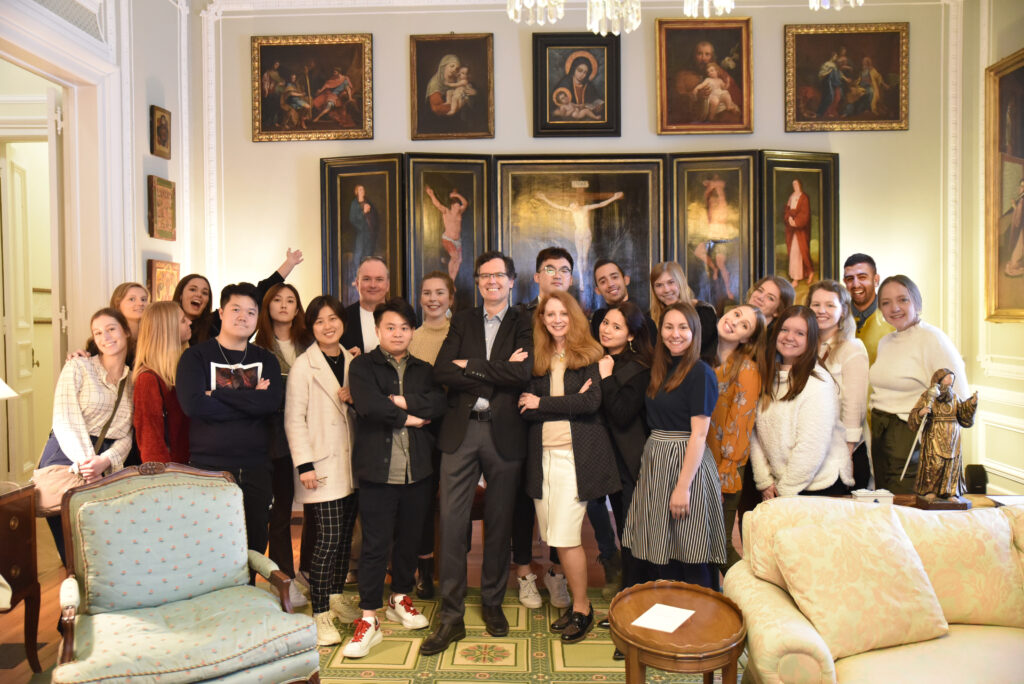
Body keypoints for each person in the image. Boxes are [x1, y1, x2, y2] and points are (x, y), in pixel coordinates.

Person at [421, 251, 533, 656]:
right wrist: (494, 369)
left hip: (504, 434)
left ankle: (491, 603)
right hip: (461, 433)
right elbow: (441, 371)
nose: (491, 282)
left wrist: (472, 365)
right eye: (484, 276)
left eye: (498, 276)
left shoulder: (524, 321)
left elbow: (522, 372)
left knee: (500, 524)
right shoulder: (464, 319)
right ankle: (450, 617)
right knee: (452, 525)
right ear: (477, 282)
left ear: (511, 281)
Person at [344, 298, 446, 658]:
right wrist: (413, 417)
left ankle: (400, 597)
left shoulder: (423, 368)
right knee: (375, 544)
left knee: (408, 540)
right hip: (377, 471)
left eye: (405, 327)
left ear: (413, 332)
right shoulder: (362, 365)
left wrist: (400, 403)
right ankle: (368, 616)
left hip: (418, 470)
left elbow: (437, 404)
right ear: (377, 330)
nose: (398, 333)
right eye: (391, 327)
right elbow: (369, 405)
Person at [519, 291, 618, 643]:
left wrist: (542, 402)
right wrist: (560, 404)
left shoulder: (589, 354)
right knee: (554, 538)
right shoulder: (538, 358)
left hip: (575, 459)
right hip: (541, 456)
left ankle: (581, 608)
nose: (556, 319)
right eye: (549, 314)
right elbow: (525, 406)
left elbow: (590, 403)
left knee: (567, 538)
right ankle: (577, 606)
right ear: (542, 319)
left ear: (573, 316)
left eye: (563, 313)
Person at [622, 302, 726, 590]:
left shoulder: (700, 372)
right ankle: (669, 622)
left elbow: (699, 435)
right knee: (662, 551)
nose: (675, 334)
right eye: (669, 327)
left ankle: (702, 626)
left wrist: (683, 487)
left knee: (690, 551)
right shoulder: (662, 368)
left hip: (685, 461)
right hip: (657, 459)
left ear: (694, 331)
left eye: (683, 327)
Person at [175, 282, 283, 556]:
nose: (243, 317)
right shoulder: (195, 357)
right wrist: (250, 398)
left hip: (256, 466)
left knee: (255, 544)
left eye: (250, 312)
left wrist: (218, 394)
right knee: (209, 544)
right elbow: (195, 406)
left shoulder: (266, 359)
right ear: (221, 312)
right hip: (209, 466)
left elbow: (270, 403)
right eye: (236, 309)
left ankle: (247, 597)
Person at [283, 295, 360, 646]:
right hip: (320, 465)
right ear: (310, 327)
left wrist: (355, 398)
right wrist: (305, 465)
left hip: (351, 464)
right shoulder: (304, 365)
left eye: (333, 319)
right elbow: (293, 419)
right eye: (319, 321)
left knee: (344, 537)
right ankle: (320, 614)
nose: (328, 326)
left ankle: (335, 595)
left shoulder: (351, 360)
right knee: (326, 540)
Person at [39, 308, 134, 563]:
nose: (106, 337)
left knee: (100, 545)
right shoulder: (78, 366)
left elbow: (127, 434)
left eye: (111, 329)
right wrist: (86, 463)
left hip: (105, 460)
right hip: (66, 454)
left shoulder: (134, 379)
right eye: (98, 332)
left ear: (125, 330)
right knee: (71, 550)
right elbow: (64, 417)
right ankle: (76, 597)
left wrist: (105, 461)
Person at [868, 275, 969, 494]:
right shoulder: (887, 341)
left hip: (911, 440)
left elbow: (959, 398)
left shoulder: (933, 339)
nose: (894, 307)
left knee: (907, 507)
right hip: (880, 435)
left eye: (903, 299)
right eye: (886, 302)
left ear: (917, 302)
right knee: (886, 505)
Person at [750, 306, 854, 499]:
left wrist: (784, 492)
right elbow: (754, 432)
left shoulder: (818, 384)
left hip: (819, 486)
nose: (790, 337)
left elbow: (810, 447)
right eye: (784, 330)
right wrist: (764, 481)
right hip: (780, 486)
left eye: (800, 333)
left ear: (811, 340)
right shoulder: (769, 376)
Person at [595, 301, 652, 650]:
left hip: (635, 463)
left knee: (634, 538)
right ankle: (627, 610)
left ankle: (633, 622)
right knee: (624, 534)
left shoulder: (639, 367)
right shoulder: (604, 358)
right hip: (610, 461)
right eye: (605, 323)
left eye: (616, 326)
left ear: (631, 334)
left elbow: (620, 412)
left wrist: (604, 376)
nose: (606, 329)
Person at [254, 283, 314, 604]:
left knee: (313, 505)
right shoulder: (258, 346)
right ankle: (284, 579)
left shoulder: (310, 342)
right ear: (268, 305)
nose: (284, 305)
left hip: (309, 430)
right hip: (273, 434)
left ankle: (309, 572)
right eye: (277, 299)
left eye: (291, 300)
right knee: (280, 509)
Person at [707, 304, 765, 572]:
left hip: (725, 469)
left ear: (746, 339)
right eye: (737, 314)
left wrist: (723, 475)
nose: (735, 321)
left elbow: (740, 427)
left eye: (744, 325)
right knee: (702, 546)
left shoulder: (747, 369)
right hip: (698, 463)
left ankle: (751, 602)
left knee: (719, 548)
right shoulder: (704, 359)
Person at [409, 271, 455, 599]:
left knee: (453, 501)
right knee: (422, 502)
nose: (433, 298)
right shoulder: (410, 336)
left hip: (455, 425)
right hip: (421, 428)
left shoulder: (461, 332)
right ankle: (424, 570)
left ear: (450, 298)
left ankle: (452, 569)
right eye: (427, 293)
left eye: (440, 292)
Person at [808, 280, 871, 489]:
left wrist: (847, 454)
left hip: (844, 451)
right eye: (815, 305)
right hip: (813, 450)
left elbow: (854, 406)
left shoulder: (852, 348)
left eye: (830, 305)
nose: (821, 311)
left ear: (843, 311)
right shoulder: (804, 346)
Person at [172, 248, 304, 346]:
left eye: (205, 292)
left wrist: (289, 263)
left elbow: (261, 292)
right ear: (180, 294)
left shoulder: (215, 322)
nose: (198, 295)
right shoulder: (166, 322)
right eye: (193, 289)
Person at [535, 191, 623, 308]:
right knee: (579, 257)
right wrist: (544, 198)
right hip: (578, 234)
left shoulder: (585, 208)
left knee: (584, 258)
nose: (573, 208)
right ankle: (581, 280)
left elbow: (600, 204)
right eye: (571, 207)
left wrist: (614, 198)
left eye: (574, 206)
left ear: (577, 204)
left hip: (586, 233)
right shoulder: (572, 210)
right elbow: (557, 206)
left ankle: (584, 280)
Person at [132, 302, 191, 465]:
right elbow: (151, 441)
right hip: (170, 475)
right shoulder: (148, 379)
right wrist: (164, 479)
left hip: (189, 468)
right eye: (182, 320)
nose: (190, 322)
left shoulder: (181, 371)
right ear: (167, 329)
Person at [907, 369, 979, 500]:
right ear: (939, 380)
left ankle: (950, 492)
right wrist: (922, 412)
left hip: (952, 436)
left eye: (952, 379)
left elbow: (963, 413)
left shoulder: (955, 397)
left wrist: (972, 403)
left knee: (951, 464)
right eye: (947, 378)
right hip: (934, 433)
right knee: (934, 463)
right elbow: (914, 415)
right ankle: (931, 490)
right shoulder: (928, 396)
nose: (950, 382)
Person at [649, 262, 718, 366]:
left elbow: (706, 354)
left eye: (671, 282)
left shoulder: (703, 313)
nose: (666, 290)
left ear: (681, 282)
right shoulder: (649, 318)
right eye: (659, 285)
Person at [842, 253, 894, 364]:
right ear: (845, 282)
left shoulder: (894, 320)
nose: (856, 284)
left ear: (876, 280)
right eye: (850, 279)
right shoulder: (836, 319)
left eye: (862, 277)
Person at [590, 258, 656, 341]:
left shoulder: (644, 318)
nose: (610, 284)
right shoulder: (598, 319)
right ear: (598, 290)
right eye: (603, 281)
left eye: (614, 277)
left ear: (626, 280)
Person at [340, 256, 390, 355]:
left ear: (387, 285)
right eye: (367, 279)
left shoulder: (401, 316)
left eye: (379, 279)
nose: (373, 285)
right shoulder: (342, 318)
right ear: (357, 284)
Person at [425, 186, 468, 282]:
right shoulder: (446, 212)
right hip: (448, 239)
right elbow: (437, 204)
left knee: (459, 260)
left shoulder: (459, 213)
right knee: (454, 257)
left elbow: (465, 203)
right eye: (457, 206)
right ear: (452, 206)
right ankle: (451, 280)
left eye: (459, 206)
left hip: (458, 241)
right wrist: (431, 194)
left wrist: (456, 195)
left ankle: (452, 281)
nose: (459, 208)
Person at [783, 179, 813, 287]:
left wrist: (796, 222)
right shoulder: (791, 196)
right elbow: (787, 210)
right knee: (793, 252)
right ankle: (795, 276)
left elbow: (805, 213)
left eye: (796, 184)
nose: (795, 185)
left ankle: (806, 273)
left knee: (801, 251)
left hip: (801, 229)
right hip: (792, 229)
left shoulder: (804, 197)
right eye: (793, 184)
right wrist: (789, 219)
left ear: (800, 185)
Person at [349, 185, 379, 271]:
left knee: (368, 253)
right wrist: (363, 212)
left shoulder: (367, 202)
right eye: (360, 189)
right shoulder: (354, 204)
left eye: (363, 189)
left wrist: (369, 213)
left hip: (369, 232)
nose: (362, 191)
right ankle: (356, 275)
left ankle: (366, 273)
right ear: (356, 192)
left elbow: (374, 216)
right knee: (358, 252)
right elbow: (352, 218)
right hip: (360, 232)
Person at [1003, 178, 1024, 277]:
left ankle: (1014, 266)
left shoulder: (1022, 200)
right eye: (1021, 186)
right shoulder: (1021, 199)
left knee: (1020, 247)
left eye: (1023, 186)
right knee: (1019, 247)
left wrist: (1014, 206)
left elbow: (1018, 218)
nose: (1021, 188)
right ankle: (1014, 264)